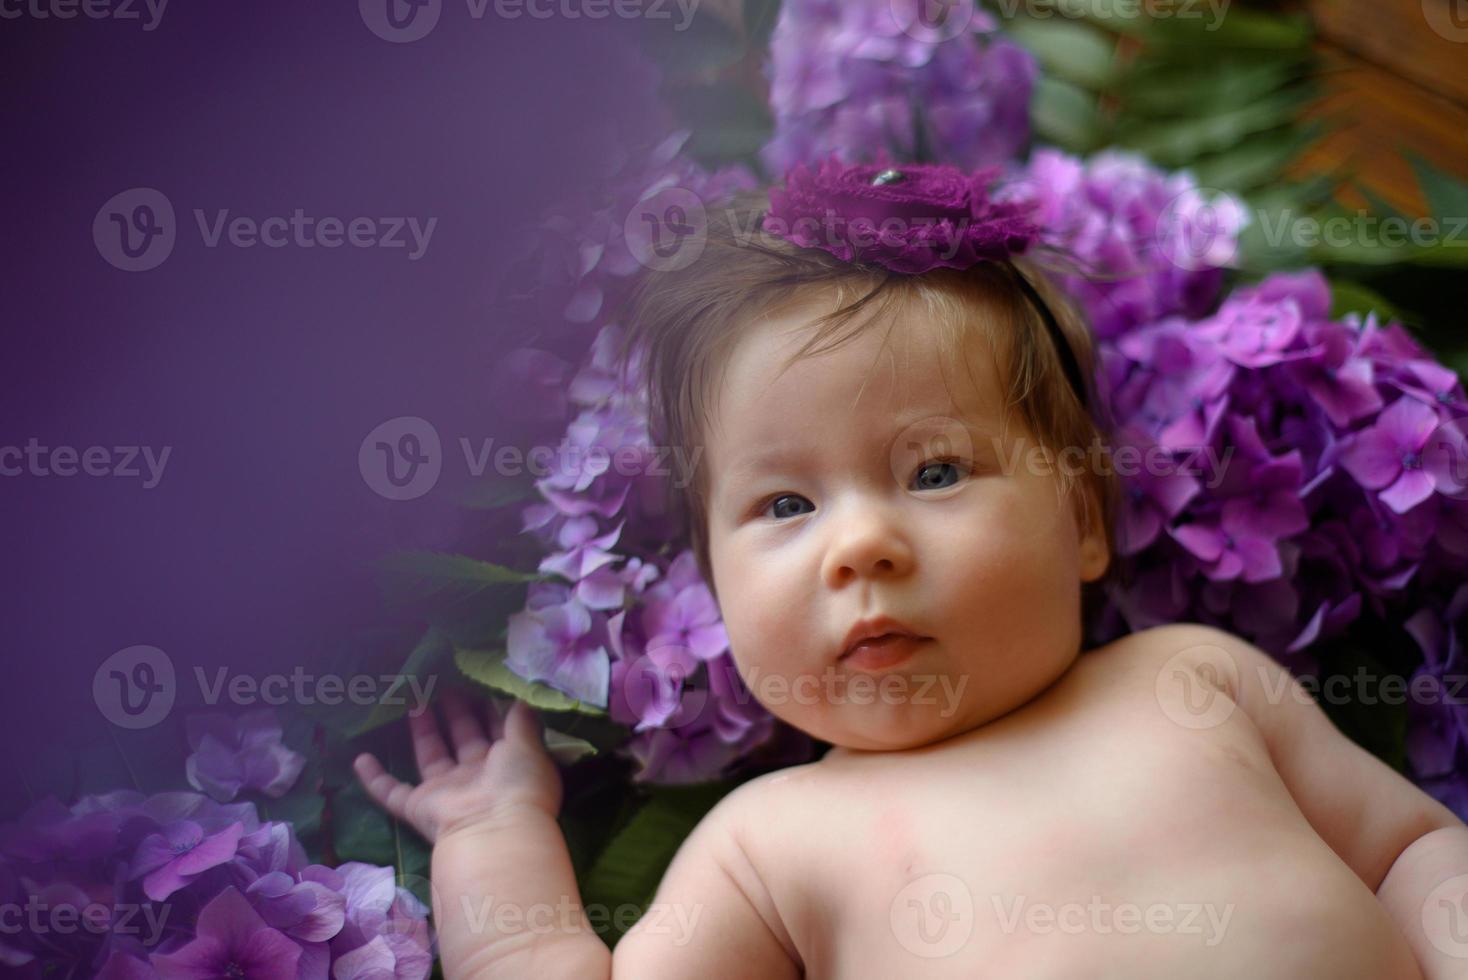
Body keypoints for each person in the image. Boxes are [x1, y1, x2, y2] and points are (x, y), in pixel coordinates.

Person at [353, 159, 1468, 978]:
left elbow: (1412, 845)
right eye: (784, 504)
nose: (860, 544)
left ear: (1084, 513)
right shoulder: (766, 842)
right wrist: (495, 843)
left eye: (935, 471)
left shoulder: (1193, 677)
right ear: (714, 581)